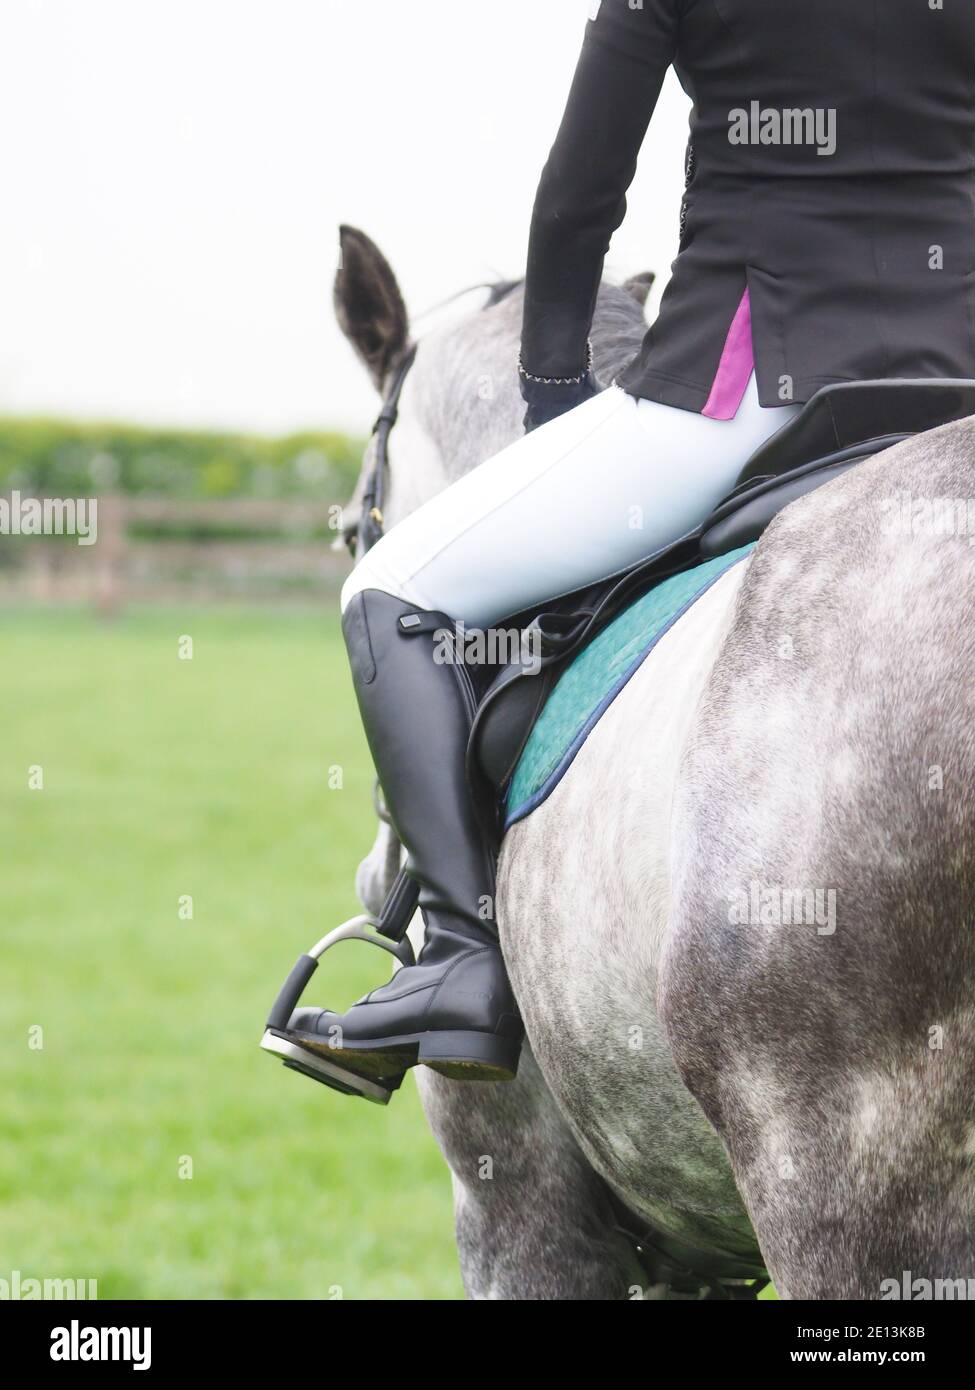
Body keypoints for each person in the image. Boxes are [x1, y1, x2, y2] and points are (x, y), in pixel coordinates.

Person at [283, 0, 975, 1089]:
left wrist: (555, 394)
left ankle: (461, 961)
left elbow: (580, 197)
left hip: (750, 385)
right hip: (953, 385)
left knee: (389, 591)